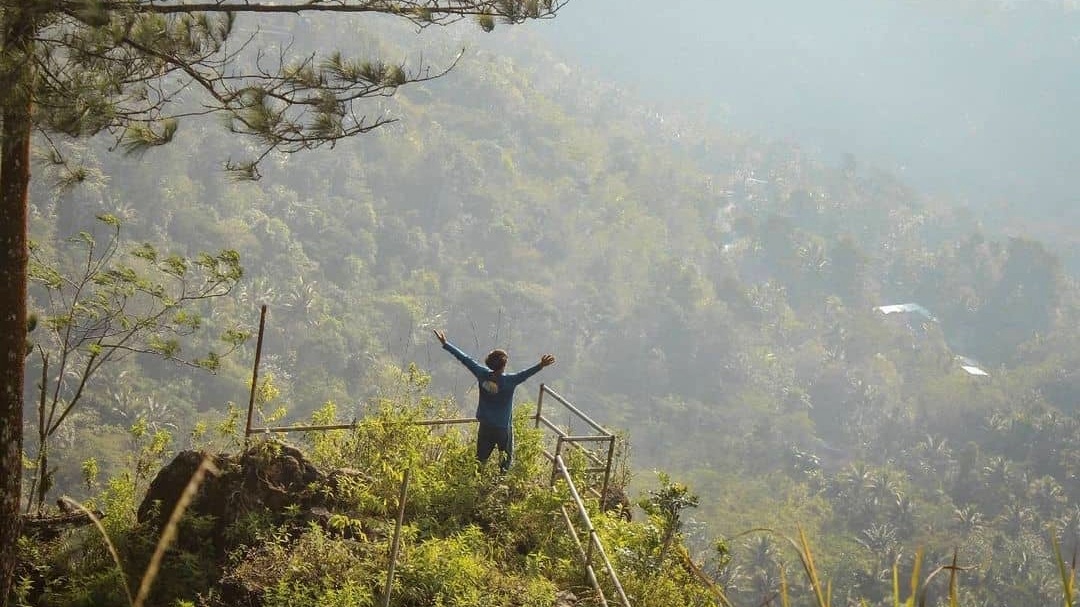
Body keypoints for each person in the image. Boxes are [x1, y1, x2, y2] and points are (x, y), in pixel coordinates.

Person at [433, 329, 555, 472]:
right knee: (506, 459)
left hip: (485, 424)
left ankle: (475, 485)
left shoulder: (481, 373)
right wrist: (540, 365)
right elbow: (525, 374)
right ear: (503, 365)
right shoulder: (511, 380)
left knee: (480, 459)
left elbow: (465, 359)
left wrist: (446, 344)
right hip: (502, 427)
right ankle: (499, 484)